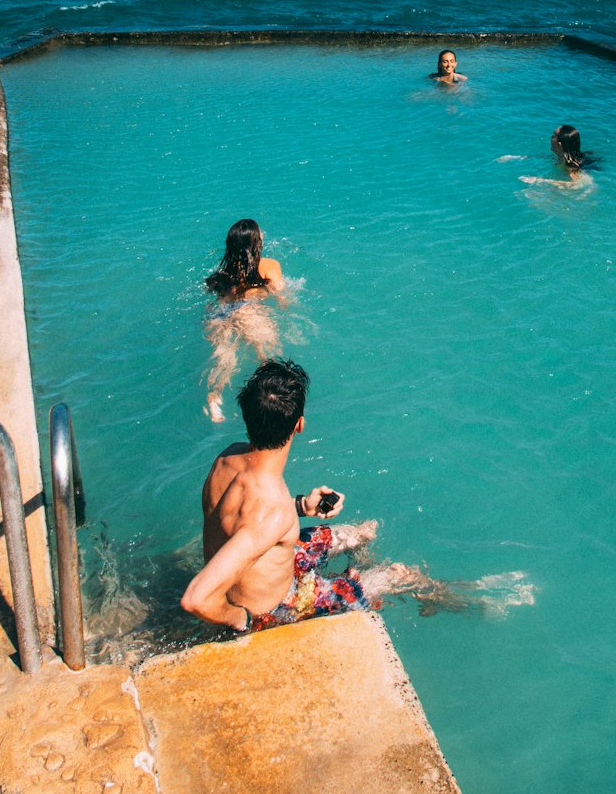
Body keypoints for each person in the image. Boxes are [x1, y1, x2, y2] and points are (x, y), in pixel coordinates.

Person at [181, 360, 449, 632]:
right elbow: (195, 600)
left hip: (272, 566)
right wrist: (243, 620)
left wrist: (301, 505)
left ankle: (358, 565)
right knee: (398, 574)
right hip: (278, 607)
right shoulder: (272, 511)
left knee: (362, 532)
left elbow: (245, 517)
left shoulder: (228, 458)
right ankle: (460, 600)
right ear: (299, 425)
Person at [204, 219, 287, 423]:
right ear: (257, 241)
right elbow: (281, 296)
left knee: (224, 359)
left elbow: (212, 294)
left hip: (220, 314)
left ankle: (214, 396)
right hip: (248, 312)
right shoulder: (269, 265)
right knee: (266, 355)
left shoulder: (221, 273)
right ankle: (273, 405)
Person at [520, 125, 597, 190]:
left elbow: (577, 185)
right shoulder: (563, 156)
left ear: (559, 144)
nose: (550, 138)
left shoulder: (570, 166)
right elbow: (547, 157)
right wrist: (516, 157)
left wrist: (540, 180)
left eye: (553, 136)